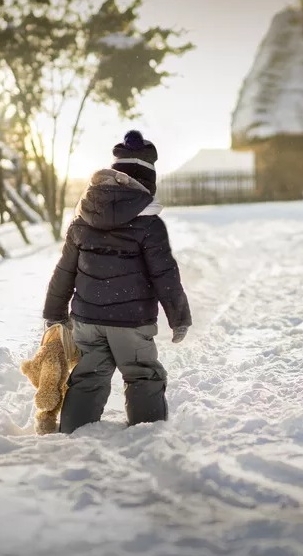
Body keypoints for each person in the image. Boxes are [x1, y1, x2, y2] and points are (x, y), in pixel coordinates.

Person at [42, 130, 192, 433]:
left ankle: (73, 434)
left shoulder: (83, 216)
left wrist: (54, 312)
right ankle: (147, 434)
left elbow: (64, 270)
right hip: (131, 322)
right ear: (147, 182)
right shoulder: (149, 224)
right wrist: (179, 317)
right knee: (142, 375)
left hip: (87, 320)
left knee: (87, 377)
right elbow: (165, 275)